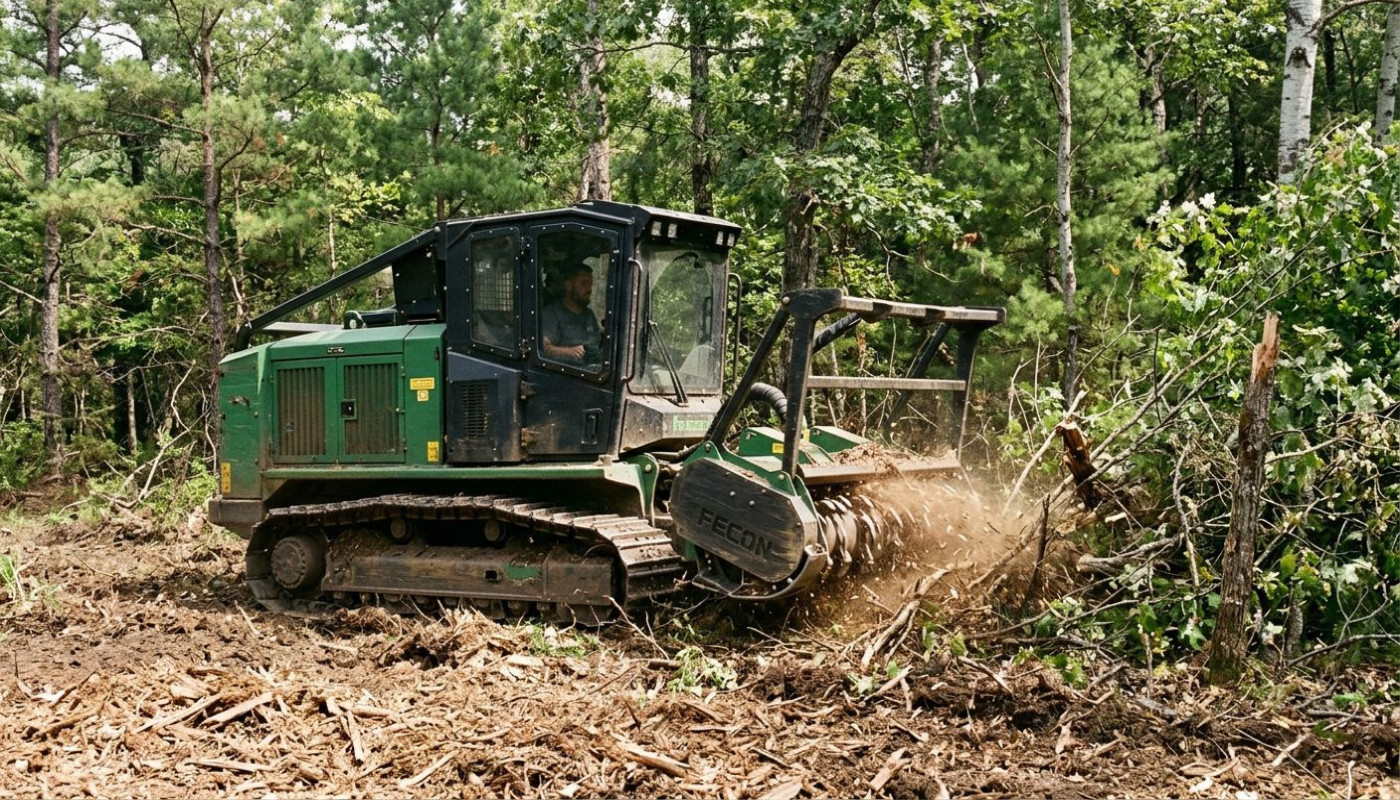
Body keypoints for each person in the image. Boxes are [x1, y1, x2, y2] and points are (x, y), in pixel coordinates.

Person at [540, 261, 602, 366]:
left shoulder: (589, 314)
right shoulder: (552, 314)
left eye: (590, 285)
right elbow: (543, 347)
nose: (589, 290)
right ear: (568, 285)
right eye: (584, 284)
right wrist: (569, 351)